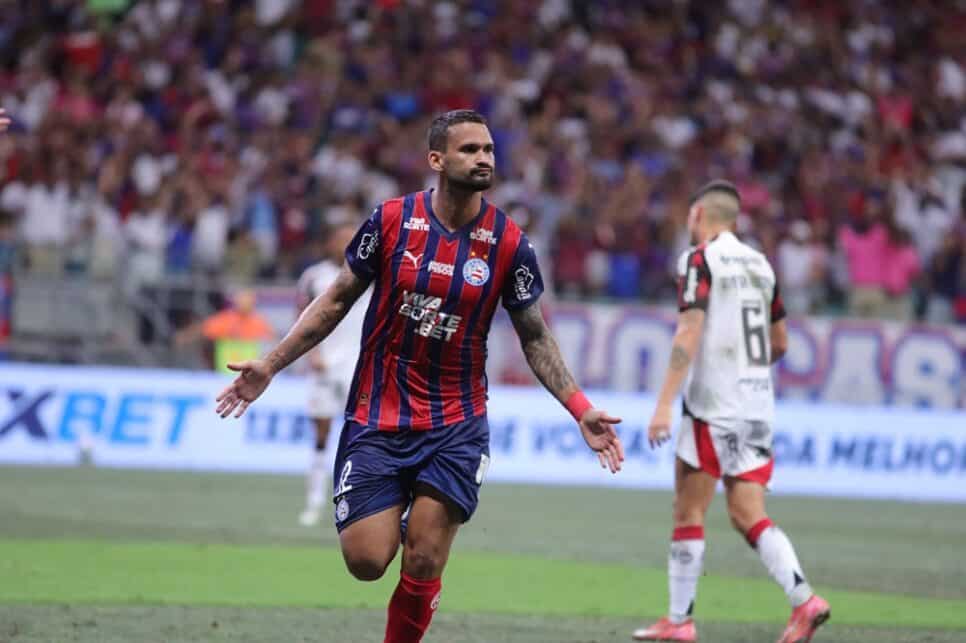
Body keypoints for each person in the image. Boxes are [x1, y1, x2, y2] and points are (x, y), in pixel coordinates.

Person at [215, 109, 624, 643]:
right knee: (365, 560)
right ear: (437, 160)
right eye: (470, 150)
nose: (484, 159)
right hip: (377, 415)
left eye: (489, 150)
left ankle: (427, 534)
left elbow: (535, 335)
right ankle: (409, 515)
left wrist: (579, 407)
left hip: (456, 422)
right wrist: (270, 364)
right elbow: (336, 299)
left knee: (426, 556)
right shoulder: (390, 221)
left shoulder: (508, 243)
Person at [632, 181, 829, 643]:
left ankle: (679, 622)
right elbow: (781, 343)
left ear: (698, 213)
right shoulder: (761, 265)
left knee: (688, 508)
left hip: (711, 405)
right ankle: (804, 601)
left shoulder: (700, 260)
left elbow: (688, 331)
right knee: (748, 513)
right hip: (758, 405)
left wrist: (662, 405)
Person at [295, 223, 372, 527]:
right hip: (324, 366)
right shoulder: (314, 277)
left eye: (351, 239)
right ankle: (313, 501)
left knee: (362, 438)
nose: (346, 244)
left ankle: (354, 502)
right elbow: (301, 316)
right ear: (329, 242)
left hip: (360, 367)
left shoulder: (371, 273)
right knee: (322, 436)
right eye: (341, 238)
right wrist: (311, 353)